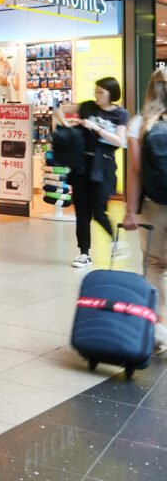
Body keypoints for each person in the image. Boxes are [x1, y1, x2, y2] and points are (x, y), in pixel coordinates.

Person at [123, 69, 167, 349]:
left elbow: (136, 171)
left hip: (154, 205)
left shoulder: (139, 123)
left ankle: (160, 328)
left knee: (155, 264)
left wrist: (130, 211)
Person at [69, 77, 128, 269]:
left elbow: (120, 141)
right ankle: (84, 253)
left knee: (99, 210)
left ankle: (114, 240)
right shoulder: (87, 106)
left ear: (112, 93)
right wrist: (65, 127)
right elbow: (61, 111)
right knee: (82, 212)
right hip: (81, 165)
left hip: (103, 164)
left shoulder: (120, 114)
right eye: (96, 91)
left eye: (101, 92)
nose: (97, 95)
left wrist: (96, 127)